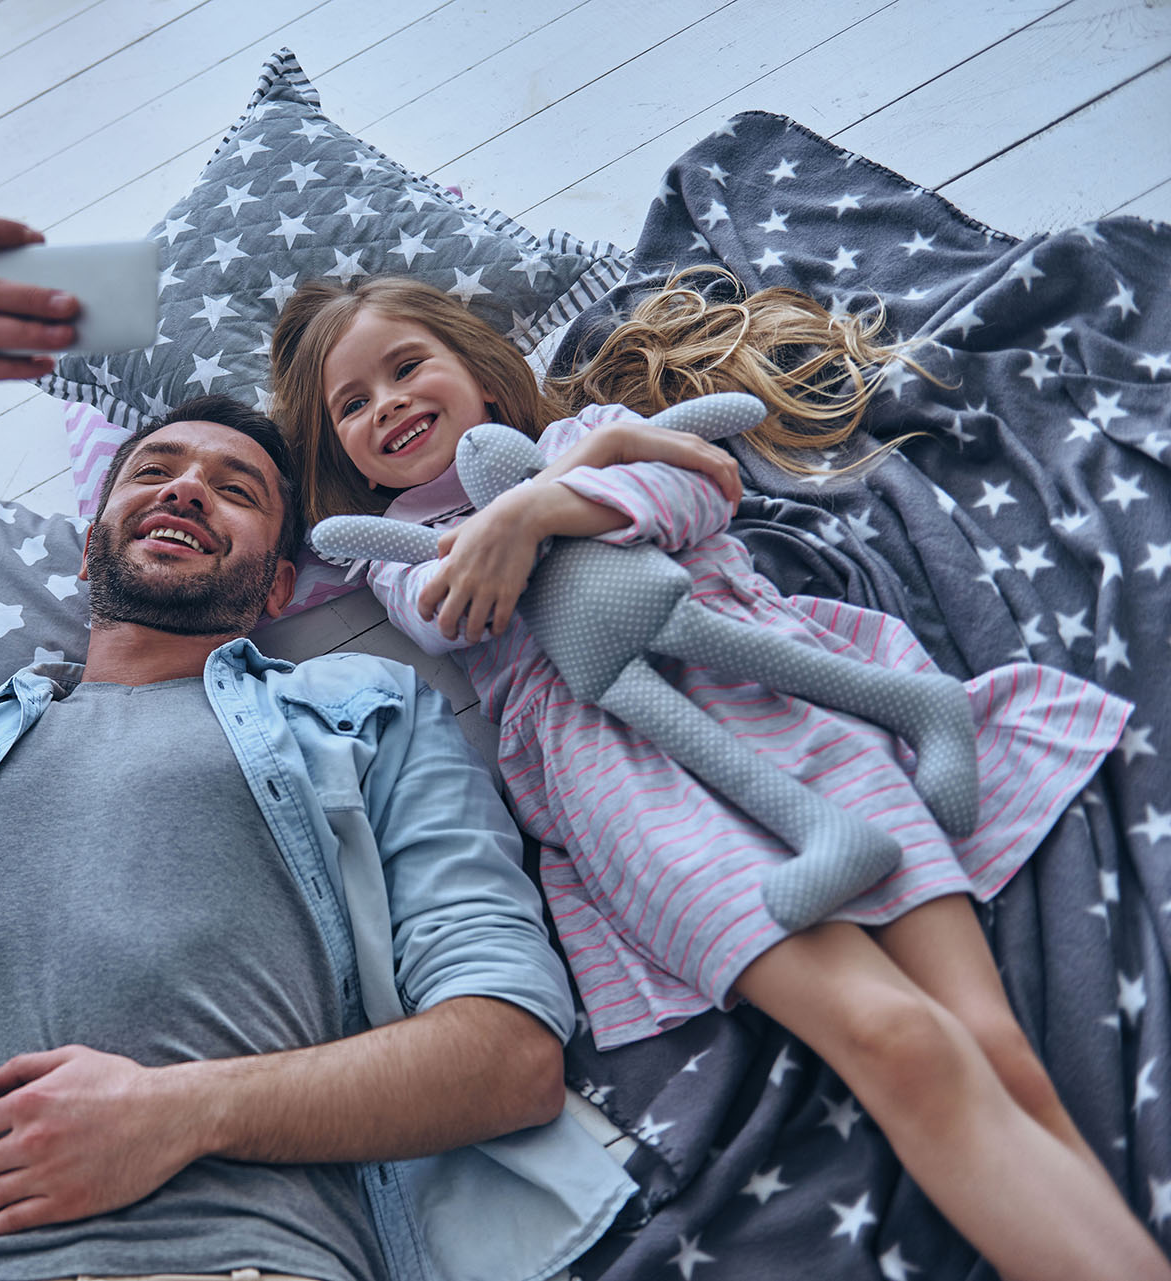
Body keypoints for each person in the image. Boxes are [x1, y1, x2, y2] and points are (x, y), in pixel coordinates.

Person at [0, 215, 651, 1281]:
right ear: (96, 537)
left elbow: (505, 1055)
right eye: (153, 471)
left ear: (280, 585)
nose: (186, 488)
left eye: (237, 491)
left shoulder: (365, 715)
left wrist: (175, 1113)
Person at [267, 270, 1167, 1281]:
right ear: (338, 449)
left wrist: (570, 477)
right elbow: (452, 605)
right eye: (352, 403)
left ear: (475, 368)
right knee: (897, 1043)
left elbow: (698, 487)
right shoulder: (401, 552)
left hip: (779, 702)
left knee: (995, 1045)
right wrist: (530, 516)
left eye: (405, 367)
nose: (386, 402)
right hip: (620, 778)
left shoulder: (588, 430)